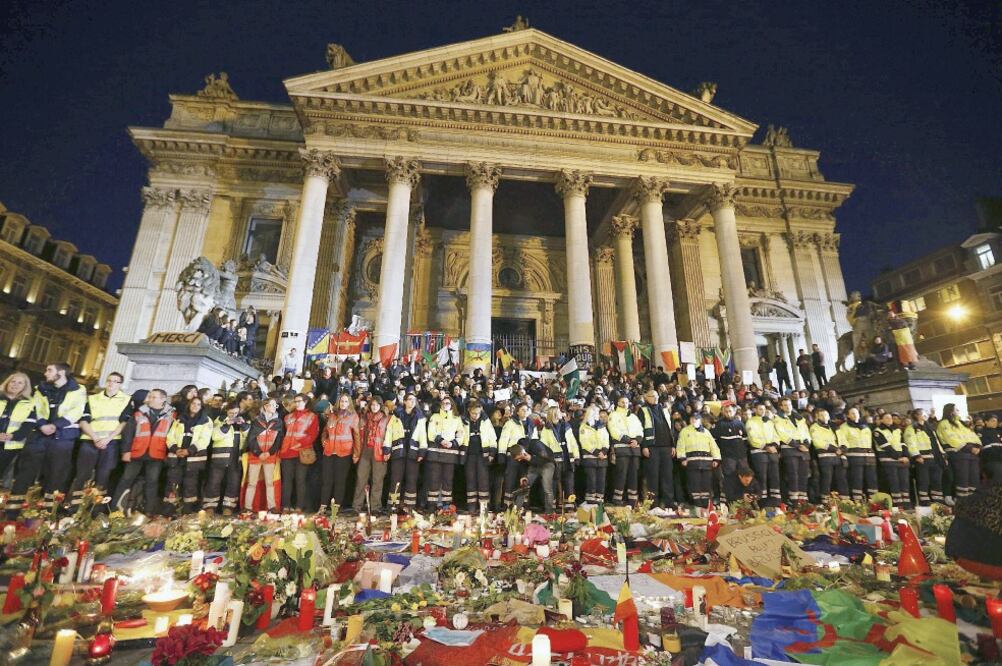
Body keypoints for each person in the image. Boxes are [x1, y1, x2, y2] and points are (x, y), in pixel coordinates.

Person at [14, 363, 88, 510]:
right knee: (26, 472)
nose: (45, 373)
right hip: (39, 435)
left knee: (56, 475)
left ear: (61, 373)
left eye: (49, 370)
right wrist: (42, 424)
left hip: (63, 437)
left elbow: (77, 411)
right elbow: (35, 408)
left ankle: (48, 512)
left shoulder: (79, 390)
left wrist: (55, 425)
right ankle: (13, 510)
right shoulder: (40, 389)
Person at [71, 372, 131, 508]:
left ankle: (96, 508)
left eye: (116, 381)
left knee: (104, 475)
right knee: (82, 474)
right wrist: (96, 438)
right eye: (109, 380)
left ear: (121, 384)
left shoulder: (127, 400)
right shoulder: (93, 398)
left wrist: (107, 439)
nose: (111, 383)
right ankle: (75, 508)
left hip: (111, 442)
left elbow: (124, 423)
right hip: (90, 439)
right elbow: (83, 421)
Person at [113, 389, 173, 516]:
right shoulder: (139, 413)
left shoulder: (171, 415)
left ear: (163, 399)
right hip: (137, 452)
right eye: (150, 396)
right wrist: (126, 451)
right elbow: (128, 432)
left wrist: (168, 454)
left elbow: (172, 435)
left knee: (152, 482)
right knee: (126, 479)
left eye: (153, 397)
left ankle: (149, 511)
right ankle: (114, 509)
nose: (149, 399)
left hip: (157, 454)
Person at [166, 396, 213, 514]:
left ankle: (187, 511)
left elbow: (204, 439)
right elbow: (170, 436)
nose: (195, 406)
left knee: (190, 485)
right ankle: (170, 511)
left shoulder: (206, 420)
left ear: (202, 407)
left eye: (198, 404)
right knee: (172, 483)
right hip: (177, 457)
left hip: (193, 458)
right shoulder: (179, 419)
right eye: (193, 403)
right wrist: (175, 449)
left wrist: (190, 450)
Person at [203, 401, 249, 515]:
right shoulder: (219, 420)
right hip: (220, 456)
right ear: (226, 411)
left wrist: (243, 425)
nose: (233, 415)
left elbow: (249, 436)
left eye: (236, 413)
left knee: (233, 482)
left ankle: (228, 507)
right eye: (231, 413)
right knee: (214, 481)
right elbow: (215, 436)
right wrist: (226, 425)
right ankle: (210, 506)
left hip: (236, 456)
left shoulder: (243, 420)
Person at [383, 393, 426, 513]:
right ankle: (393, 505)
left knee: (412, 479)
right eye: (410, 400)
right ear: (405, 401)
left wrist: (422, 451)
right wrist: (386, 449)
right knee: (396, 479)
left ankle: (409, 506)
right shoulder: (396, 415)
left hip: (413, 452)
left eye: (414, 400)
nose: (412, 402)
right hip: (398, 451)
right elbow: (389, 432)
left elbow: (423, 434)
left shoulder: (420, 417)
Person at [0, 373, 36, 514]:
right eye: (13, 381)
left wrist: (12, 436)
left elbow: (29, 425)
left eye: (20, 383)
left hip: (10, 446)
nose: (15, 384)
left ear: (25, 387)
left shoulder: (30, 403)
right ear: (7, 382)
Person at [279, 394, 319, 512]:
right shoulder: (288, 417)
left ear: (306, 402)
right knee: (287, 480)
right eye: (295, 401)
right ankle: (286, 506)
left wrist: (300, 444)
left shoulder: (312, 417)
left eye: (299, 401)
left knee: (300, 480)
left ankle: (299, 506)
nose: (297, 403)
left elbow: (312, 435)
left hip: (302, 452)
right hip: (287, 452)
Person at [244, 397, 284, 512]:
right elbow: (251, 438)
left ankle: (271, 507)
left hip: (270, 456)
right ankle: (247, 507)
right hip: (256, 455)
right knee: (252, 482)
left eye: (275, 405)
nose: (274, 407)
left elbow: (279, 439)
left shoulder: (278, 422)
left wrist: (269, 452)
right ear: (265, 406)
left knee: (269, 482)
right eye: (272, 404)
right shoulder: (256, 421)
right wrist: (258, 452)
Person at [320, 394, 359, 512]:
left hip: (344, 453)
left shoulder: (353, 416)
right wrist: (324, 442)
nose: (343, 403)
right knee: (326, 480)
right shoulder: (331, 415)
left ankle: (335, 509)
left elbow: (357, 436)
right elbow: (325, 431)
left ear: (349, 403)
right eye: (342, 401)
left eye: (346, 401)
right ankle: (322, 506)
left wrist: (356, 454)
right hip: (329, 452)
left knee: (340, 481)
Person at [639, 389, 675, 509]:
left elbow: (670, 428)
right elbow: (640, 430)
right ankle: (653, 504)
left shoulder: (664, 409)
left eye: (656, 396)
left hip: (666, 447)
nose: (655, 398)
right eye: (652, 396)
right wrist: (644, 446)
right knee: (653, 477)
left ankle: (669, 502)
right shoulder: (643, 410)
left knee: (667, 476)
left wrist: (673, 445)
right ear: (646, 398)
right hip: (652, 447)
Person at [425, 396, 463, 510]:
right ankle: (432, 506)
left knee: (448, 480)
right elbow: (430, 433)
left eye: (448, 403)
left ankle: (446, 508)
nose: (445, 404)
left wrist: (453, 443)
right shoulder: (435, 416)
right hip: (435, 453)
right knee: (434, 480)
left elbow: (461, 434)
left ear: (452, 405)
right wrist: (441, 440)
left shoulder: (457, 419)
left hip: (449, 454)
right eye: (443, 403)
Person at [937, 403, 981, 499]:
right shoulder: (944, 423)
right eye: (956, 410)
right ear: (950, 411)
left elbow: (972, 435)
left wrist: (978, 447)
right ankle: (962, 501)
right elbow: (951, 439)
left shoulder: (961, 423)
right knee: (962, 479)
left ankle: (973, 500)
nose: (958, 412)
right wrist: (970, 448)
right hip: (959, 453)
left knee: (974, 479)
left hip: (972, 454)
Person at [540, 404, 579, 511]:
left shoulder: (567, 426)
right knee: (554, 483)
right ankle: (552, 506)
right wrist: (549, 458)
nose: (561, 413)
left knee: (569, 483)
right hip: (555, 460)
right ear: (553, 414)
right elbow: (544, 445)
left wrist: (576, 456)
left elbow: (573, 442)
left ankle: (569, 506)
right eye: (558, 412)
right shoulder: (546, 429)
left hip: (567, 458)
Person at [676, 412, 720, 505]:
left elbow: (713, 446)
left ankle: (705, 504)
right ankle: (696, 504)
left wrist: (716, 459)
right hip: (692, 461)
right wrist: (682, 458)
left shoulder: (706, 432)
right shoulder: (685, 431)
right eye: (692, 418)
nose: (694, 420)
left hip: (706, 462)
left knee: (706, 483)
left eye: (696, 419)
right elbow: (680, 445)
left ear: (700, 420)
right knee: (694, 483)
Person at [607, 395, 644, 506]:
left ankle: (633, 500)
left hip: (634, 450)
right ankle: (618, 499)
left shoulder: (633, 416)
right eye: (622, 402)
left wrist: (637, 441)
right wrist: (628, 440)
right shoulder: (613, 415)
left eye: (627, 402)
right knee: (621, 475)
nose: (625, 404)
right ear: (618, 403)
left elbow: (640, 430)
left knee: (634, 475)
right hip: (622, 449)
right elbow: (613, 430)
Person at [774, 398, 812, 504]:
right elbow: (781, 433)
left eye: (789, 404)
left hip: (803, 449)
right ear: (781, 407)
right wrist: (796, 445)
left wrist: (806, 444)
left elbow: (806, 432)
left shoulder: (800, 418)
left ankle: (803, 500)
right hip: (790, 449)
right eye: (785, 405)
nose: (788, 407)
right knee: (793, 475)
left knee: (804, 475)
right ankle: (794, 501)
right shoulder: (778, 418)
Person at [461, 400, 496, 515]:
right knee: (470, 480)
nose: (476, 416)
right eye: (474, 413)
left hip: (483, 455)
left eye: (478, 413)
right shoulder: (463, 420)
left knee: (483, 481)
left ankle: (484, 507)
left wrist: (491, 454)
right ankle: (471, 506)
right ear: (469, 411)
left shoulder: (486, 421)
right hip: (469, 455)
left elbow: (492, 438)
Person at [498, 402, 536, 507]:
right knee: (510, 480)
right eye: (523, 410)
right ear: (518, 412)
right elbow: (504, 439)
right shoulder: (510, 423)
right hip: (513, 456)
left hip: (526, 457)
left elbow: (534, 440)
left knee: (524, 481)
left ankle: (522, 505)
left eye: (527, 409)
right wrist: (501, 454)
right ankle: (507, 505)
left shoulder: (531, 425)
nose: (525, 411)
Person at [904, 408, 945, 505]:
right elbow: (911, 442)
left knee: (937, 480)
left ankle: (938, 502)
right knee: (924, 481)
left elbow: (936, 442)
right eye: (923, 414)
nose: (925, 415)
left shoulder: (930, 427)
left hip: (935, 457)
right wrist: (916, 455)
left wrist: (943, 455)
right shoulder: (912, 428)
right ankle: (925, 501)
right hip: (923, 458)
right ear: (917, 416)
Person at [745, 403, 781, 505]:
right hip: (759, 453)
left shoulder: (769, 422)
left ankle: (776, 501)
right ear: (755, 410)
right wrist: (766, 447)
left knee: (775, 477)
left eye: (764, 409)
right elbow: (752, 438)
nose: (762, 411)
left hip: (772, 452)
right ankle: (762, 502)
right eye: (760, 409)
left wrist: (774, 445)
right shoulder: (750, 422)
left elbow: (775, 435)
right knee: (762, 477)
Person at [839, 406, 877, 502]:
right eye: (852, 413)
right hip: (854, 456)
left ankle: (875, 502)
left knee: (872, 479)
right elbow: (843, 441)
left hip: (869, 456)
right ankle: (858, 502)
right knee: (857, 479)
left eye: (856, 413)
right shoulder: (844, 427)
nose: (855, 415)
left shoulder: (866, 426)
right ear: (848, 415)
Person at [713, 403, 748, 503]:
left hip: (741, 457)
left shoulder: (739, 424)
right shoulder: (719, 425)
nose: (728, 413)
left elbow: (745, 440)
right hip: (728, 457)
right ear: (723, 412)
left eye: (730, 411)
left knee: (743, 477)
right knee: (730, 478)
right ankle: (730, 501)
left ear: (734, 411)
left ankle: (742, 500)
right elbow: (715, 442)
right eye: (726, 411)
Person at [509, 437, 556, 513]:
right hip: (534, 465)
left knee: (547, 489)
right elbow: (522, 465)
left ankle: (549, 512)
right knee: (524, 486)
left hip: (547, 464)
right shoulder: (519, 449)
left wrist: (530, 458)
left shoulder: (536, 445)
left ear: (522, 453)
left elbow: (545, 459)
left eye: (520, 458)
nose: (519, 460)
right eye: (518, 459)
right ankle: (516, 511)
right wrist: (523, 476)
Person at [873, 412, 910, 508]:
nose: (889, 419)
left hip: (902, 460)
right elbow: (886, 446)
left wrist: (906, 456)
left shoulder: (897, 430)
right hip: (889, 460)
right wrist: (899, 457)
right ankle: (898, 505)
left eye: (890, 417)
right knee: (894, 483)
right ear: (881, 420)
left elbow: (903, 444)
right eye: (886, 417)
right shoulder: (878, 431)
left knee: (904, 483)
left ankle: (906, 504)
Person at [810, 408, 847, 496]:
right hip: (826, 457)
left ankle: (845, 501)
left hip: (839, 457)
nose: (824, 417)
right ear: (817, 417)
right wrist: (834, 449)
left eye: (826, 415)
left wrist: (842, 449)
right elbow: (817, 442)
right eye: (821, 415)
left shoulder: (834, 427)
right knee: (827, 479)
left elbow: (843, 440)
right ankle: (825, 500)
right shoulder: (814, 427)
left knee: (842, 479)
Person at [578, 405, 609, 505]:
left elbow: (606, 440)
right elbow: (585, 442)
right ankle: (590, 503)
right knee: (592, 481)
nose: (595, 414)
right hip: (590, 458)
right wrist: (597, 452)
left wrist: (604, 451)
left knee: (601, 482)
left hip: (602, 459)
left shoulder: (601, 426)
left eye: (596, 412)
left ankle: (600, 504)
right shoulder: (584, 426)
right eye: (593, 412)